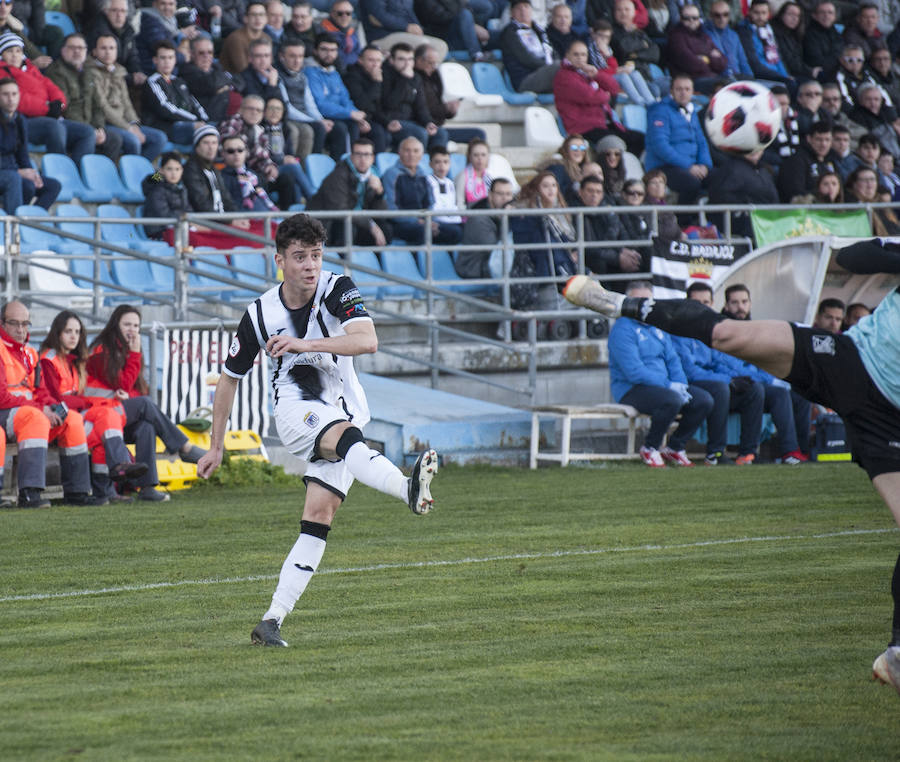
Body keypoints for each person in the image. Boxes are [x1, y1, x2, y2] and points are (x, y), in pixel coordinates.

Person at [562, 237, 900, 697]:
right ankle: (619, 302)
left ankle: (897, 655)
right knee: (728, 334)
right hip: (851, 361)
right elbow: (852, 258)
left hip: (889, 419)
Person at [196, 213, 439, 647]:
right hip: (296, 410)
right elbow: (230, 378)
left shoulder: (337, 288)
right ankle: (406, 489)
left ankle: (270, 621)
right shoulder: (260, 313)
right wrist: (215, 446)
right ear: (279, 260)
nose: (310, 265)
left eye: (316, 255)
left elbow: (367, 340)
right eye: (299, 256)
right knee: (347, 439)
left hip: (344, 407)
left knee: (318, 519)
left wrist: (306, 344)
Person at [86, 305, 207, 503]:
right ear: (115, 325)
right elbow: (121, 384)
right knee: (144, 404)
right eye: (127, 324)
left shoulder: (127, 349)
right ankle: (183, 447)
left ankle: (147, 487)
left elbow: (136, 390)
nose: (132, 330)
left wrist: (129, 391)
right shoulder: (101, 349)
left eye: (136, 325)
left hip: (116, 416)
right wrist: (134, 355)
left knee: (146, 427)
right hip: (97, 417)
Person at [38, 310, 150, 502]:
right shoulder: (49, 360)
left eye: (78, 332)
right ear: (57, 334)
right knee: (105, 423)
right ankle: (116, 470)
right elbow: (58, 401)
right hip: (57, 421)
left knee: (106, 421)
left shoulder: (73, 361)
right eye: (68, 331)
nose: (74, 336)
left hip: (75, 417)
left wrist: (81, 402)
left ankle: (106, 490)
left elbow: (134, 387)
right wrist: (83, 402)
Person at [0, 300, 101, 508]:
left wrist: (51, 409)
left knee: (71, 419)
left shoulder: (30, 353)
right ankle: (30, 494)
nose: (20, 329)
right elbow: (2, 397)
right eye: (14, 323)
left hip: (27, 416)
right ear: (2, 324)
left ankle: (77, 491)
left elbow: (42, 392)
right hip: (6, 413)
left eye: (25, 323)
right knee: (35, 417)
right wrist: (40, 408)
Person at [607, 280, 715, 467]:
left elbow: (673, 360)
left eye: (646, 300)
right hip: (631, 389)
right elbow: (634, 372)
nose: (642, 305)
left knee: (703, 400)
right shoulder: (622, 329)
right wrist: (669, 386)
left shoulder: (657, 326)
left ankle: (675, 447)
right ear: (628, 302)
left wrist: (680, 383)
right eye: (637, 300)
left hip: (662, 386)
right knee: (671, 400)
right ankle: (650, 447)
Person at [673, 281, 764, 466]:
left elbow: (717, 362)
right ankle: (714, 453)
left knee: (754, 390)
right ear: (687, 303)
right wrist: (727, 379)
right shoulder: (678, 331)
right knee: (721, 388)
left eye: (706, 302)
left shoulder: (710, 330)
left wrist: (737, 378)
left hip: (713, 383)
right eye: (697, 302)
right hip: (689, 384)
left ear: (712, 304)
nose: (702, 307)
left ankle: (748, 454)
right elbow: (690, 372)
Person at [0, 33, 97, 166]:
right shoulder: (2, 72)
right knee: (54, 127)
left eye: (18, 51)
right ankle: (61, 171)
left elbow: (51, 87)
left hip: (48, 116)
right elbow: (19, 100)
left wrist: (59, 104)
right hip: (22, 121)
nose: (15, 55)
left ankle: (76, 170)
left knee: (87, 132)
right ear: (1, 54)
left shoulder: (30, 68)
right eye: (9, 51)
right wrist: (48, 109)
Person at [553, 39, 645, 156]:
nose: (580, 58)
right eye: (575, 54)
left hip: (603, 124)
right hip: (584, 128)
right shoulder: (564, 76)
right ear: (567, 55)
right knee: (615, 143)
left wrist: (596, 74)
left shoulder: (585, 73)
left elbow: (613, 87)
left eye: (583, 54)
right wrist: (605, 95)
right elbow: (590, 96)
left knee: (640, 138)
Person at [46, 33, 123, 162]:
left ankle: (100, 177)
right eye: (72, 48)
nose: (77, 51)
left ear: (86, 51)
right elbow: (66, 107)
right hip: (66, 124)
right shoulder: (56, 72)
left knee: (114, 138)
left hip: (89, 125)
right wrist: (90, 130)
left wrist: (99, 128)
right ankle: (78, 173)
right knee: (86, 133)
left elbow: (98, 105)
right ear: (63, 50)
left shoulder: (89, 72)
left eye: (81, 48)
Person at [91, 34, 167, 162]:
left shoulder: (119, 71)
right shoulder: (91, 72)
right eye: (103, 48)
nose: (108, 52)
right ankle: (131, 175)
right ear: (94, 51)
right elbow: (102, 106)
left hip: (124, 123)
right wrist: (128, 128)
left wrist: (134, 124)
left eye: (112, 48)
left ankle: (141, 174)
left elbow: (126, 103)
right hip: (104, 123)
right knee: (133, 141)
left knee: (160, 138)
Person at [306, 136, 393, 248]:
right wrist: (371, 225)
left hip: (357, 223)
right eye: (358, 154)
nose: (362, 159)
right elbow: (340, 210)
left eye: (367, 154)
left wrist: (379, 193)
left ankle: (371, 263)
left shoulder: (374, 175)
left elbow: (381, 214)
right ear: (351, 156)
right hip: (329, 226)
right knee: (347, 227)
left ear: (373, 158)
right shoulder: (338, 175)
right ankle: (344, 263)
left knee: (386, 230)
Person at [510, 171, 577, 310]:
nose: (551, 189)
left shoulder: (561, 213)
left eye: (554, 185)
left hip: (564, 267)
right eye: (545, 186)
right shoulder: (527, 215)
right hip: (546, 273)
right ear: (536, 190)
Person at [645, 74, 712, 207]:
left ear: (692, 92)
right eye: (679, 89)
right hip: (664, 166)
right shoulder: (660, 111)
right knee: (691, 183)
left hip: (692, 166)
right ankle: (683, 222)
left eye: (687, 89)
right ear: (672, 91)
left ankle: (713, 223)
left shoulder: (692, 112)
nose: (683, 93)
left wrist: (704, 165)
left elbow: (701, 141)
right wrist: (688, 166)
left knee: (720, 179)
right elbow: (660, 146)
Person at [0, 77, 61, 211]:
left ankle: (30, 223)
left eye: (14, 94)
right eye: (5, 94)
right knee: (14, 179)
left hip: (13, 171)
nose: (11, 99)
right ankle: (13, 225)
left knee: (53, 186)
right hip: (7, 173)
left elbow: (22, 154)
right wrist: (19, 172)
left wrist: (33, 174)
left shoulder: (20, 120)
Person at [571, 173, 644, 280]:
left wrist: (624, 250)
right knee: (599, 262)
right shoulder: (574, 212)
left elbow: (621, 231)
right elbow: (589, 248)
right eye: (590, 191)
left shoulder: (607, 209)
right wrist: (617, 258)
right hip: (593, 262)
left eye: (598, 192)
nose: (594, 195)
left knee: (638, 257)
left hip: (610, 255)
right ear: (580, 192)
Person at [379, 41, 448, 151]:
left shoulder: (415, 77)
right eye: (402, 59)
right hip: (392, 121)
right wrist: (404, 80)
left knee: (441, 133)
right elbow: (389, 104)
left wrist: (428, 122)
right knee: (419, 133)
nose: (407, 64)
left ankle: (435, 165)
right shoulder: (384, 75)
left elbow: (421, 107)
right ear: (392, 60)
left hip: (412, 121)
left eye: (410, 59)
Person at [414, 43, 487, 145]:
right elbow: (424, 110)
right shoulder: (415, 79)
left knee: (479, 134)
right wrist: (446, 108)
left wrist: (450, 110)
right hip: (424, 127)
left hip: (438, 125)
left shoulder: (434, 76)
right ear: (418, 61)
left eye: (436, 63)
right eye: (430, 63)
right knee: (441, 134)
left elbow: (439, 108)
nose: (434, 67)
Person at [306, 34, 370, 148]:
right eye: (324, 49)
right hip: (320, 116)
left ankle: (352, 162)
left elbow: (345, 99)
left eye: (333, 50)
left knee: (356, 125)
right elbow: (320, 105)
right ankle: (340, 164)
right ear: (315, 51)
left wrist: (358, 116)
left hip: (338, 115)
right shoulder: (310, 72)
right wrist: (350, 114)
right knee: (341, 129)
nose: (329, 54)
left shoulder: (334, 73)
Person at [141, 40, 209, 145]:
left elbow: (193, 102)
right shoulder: (153, 81)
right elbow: (166, 109)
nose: (167, 62)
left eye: (170, 58)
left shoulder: (178, 81)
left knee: (212, 128)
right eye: (163, 58)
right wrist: (194, 120)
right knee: (205, 133)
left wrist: (204, 119)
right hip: (165, 127)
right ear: (155, 60)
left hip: (185, 124)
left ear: (175, 60)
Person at [587, 18, 656, 106]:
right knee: (623, 76)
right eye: (601, 36)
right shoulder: (590, 49)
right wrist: (616, 71)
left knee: (635, 73)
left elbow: (613, 66)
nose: (604, 39)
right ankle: (640, 102)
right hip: (599, 78)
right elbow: (596, 71)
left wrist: (609, 56)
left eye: (607, 37)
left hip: (610, 74)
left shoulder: (607, 49)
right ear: (593, 34)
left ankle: (651, 101)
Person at [456, 176, 515, 279]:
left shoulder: (504, 215)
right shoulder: (478, 218)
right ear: (490, 195)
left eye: (508, 194)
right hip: (474, 267)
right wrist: (506, 220)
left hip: (491, 262)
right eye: (500, 194)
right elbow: (495, 250)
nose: (505, 198)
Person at [666, 3, 728, 94]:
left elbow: (723, 62)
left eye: (695, 18)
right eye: (686, 18)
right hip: (692, 82)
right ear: (680, 19)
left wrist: (705, 58)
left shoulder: (704, 36)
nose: (691, 21)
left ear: (699, 19)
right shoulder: (676, 37)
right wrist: (710, 57)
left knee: (738, 83)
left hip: (712, 77)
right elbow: (690, 63)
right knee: (726, 87)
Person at [500, 0, 560, 94]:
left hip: (546, 73)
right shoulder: (509, 33)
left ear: (531, 10)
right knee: (561, 67)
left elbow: (553, 52)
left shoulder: (539, 31)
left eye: (526, 7)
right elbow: (526, 59)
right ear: (511, 13)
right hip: (525, 79)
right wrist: (549, 67)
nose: (523, 11)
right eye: (519, 8)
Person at [340, 43, 390, 155]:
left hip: (373, 118)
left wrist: (388, 123)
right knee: (379, 133)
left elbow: (383, 105)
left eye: (378, 61)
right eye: (371, 60)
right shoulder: (352, 76)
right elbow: (361, 104)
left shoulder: (382, 75)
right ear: (360, 61)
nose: (375, 64)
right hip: (355, 119)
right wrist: (376, 83)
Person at [358, 0, 449, 61]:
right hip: (382, 36)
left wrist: (418, 28)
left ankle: (421, 78)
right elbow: (379, 17)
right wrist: (406, 27)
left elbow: (410, 13)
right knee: (425, 45)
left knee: (441, 46)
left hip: (406, 35)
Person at [87, 0, 147, 87]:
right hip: (103, 81)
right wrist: (130, 78)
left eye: (123, 11)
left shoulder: (128, 30)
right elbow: (101, 65)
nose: (119, 15)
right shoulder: (97, 32)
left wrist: (137, 73)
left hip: (123, 77)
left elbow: (133, 57)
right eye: (114, 10)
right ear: (105, 11)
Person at [179, 35, 236, 126]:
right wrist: (225, 85)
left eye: (210, 52)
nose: (206, 56)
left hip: (226, 118)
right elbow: (211, 85)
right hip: (206, 121)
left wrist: (221, 87)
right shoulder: (186, 70)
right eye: (201, 53)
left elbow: (239, 83)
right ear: (192, 54)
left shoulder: (217, 67)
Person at [776, 121, 840, 202]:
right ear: (809, 139)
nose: (823, 144)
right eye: (819, 139)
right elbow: (795, 193)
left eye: (827, 140)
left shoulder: (832, 161)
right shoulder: (796, 161)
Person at [738, 0, 795, 89]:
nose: (760, 17)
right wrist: (781, 77)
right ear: (749, 12)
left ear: (768, 14)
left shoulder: (769, 30)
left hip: (776, 76)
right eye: (756, 13)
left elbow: (778, 58)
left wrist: (785, 75)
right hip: (760, 78)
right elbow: (754, 64)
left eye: (763, 13)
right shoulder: (744, 31)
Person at [142, 150, 192, 239]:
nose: (174, 173)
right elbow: (164, 216)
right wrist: (186, 219)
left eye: (177, 169)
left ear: (182, 170)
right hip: (160, 232)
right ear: (161, 170)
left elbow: (188, 210)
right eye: (169, 169)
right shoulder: (157, 190)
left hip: (179, 227)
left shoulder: (182, 188)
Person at [703, 0, 753, 81]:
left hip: (738, 78)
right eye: (717, 15)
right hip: (719, 80)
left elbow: (743, 63)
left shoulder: (734, 35)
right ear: (711, 16)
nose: (722, 18)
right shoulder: (704, 34)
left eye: (725, 15)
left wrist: (751, 80)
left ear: (729, 15)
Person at [425, 145, 464, 245]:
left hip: (452, 220)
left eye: (445, 162)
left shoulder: (450, 183)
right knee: (456, 232)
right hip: (437, 222)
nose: (442, 166)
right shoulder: (427, 182)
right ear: (430, 164)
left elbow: (453, 206)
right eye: (437, 162)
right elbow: (433, 208)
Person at [845, 165, 900, 235]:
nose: (869, 184)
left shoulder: (881, 205)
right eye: (864, 180)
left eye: (872, 179)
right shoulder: (850, 205)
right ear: (854, 184)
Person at [220, 1, 272, 75]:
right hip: (236, 82)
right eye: (254, 15)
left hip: (258, 78)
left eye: (261, 15)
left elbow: (269, 65)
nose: (258, 19)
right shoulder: (236, 39)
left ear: (266, 19)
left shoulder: (267, 38)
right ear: (245, 18)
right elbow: (243, 70)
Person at [544, 133, 595, 202]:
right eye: (574, 147)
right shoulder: (558, 168)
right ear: (566, 150)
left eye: (582, 148)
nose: (578, 151)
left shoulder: (583, 169)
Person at [772, 2, 816, 80]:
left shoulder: (795, 35)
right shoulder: (774, 33)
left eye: (798, 16)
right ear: (781, 15)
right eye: (791, 14)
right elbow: (788, 60)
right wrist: (810, 71)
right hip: (784, 75)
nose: (794, 18)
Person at [803, 0, 843, 76]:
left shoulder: (836, 33)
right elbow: (815, 61)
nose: (826, 16)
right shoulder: (809, 34)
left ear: (834, 17)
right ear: (814, 16)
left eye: (830, 13)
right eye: (822, 12)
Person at [319, 0, 362, 69]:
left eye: (348, 13)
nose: (344, 16)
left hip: (354, 69)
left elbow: (359, 53)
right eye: (340, 13)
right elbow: (339, 58)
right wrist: (355, 59)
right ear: (332, 14)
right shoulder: (324, 30)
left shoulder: (352, 30)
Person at [455, 138, 492, 209]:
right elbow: (459, 204)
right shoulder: (462, 176)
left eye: (483, 155)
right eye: (476, 155)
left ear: (488, 157)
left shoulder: (489, 178)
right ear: (469, 157)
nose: (480, 158)